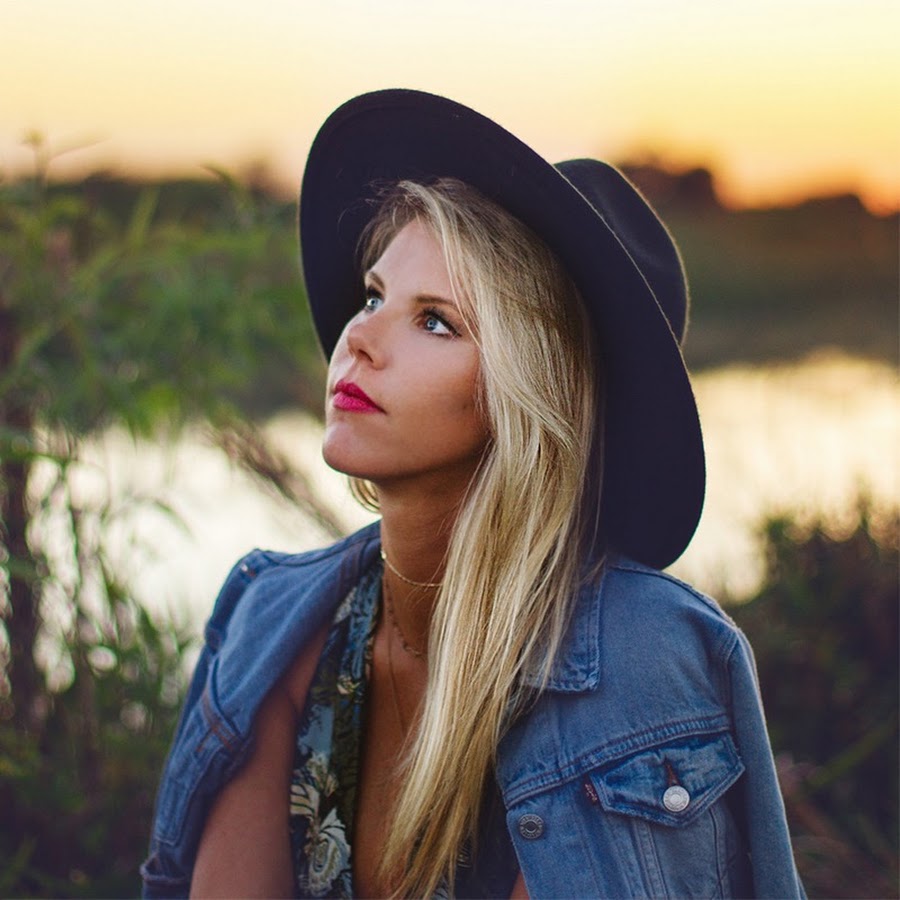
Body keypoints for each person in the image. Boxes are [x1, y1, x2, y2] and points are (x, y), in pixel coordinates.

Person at [141, 89, 805, 899]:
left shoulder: (642, 658)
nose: (359, 338)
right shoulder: (272, 623)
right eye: (375, 296)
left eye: (436, 322)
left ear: (528, 397)